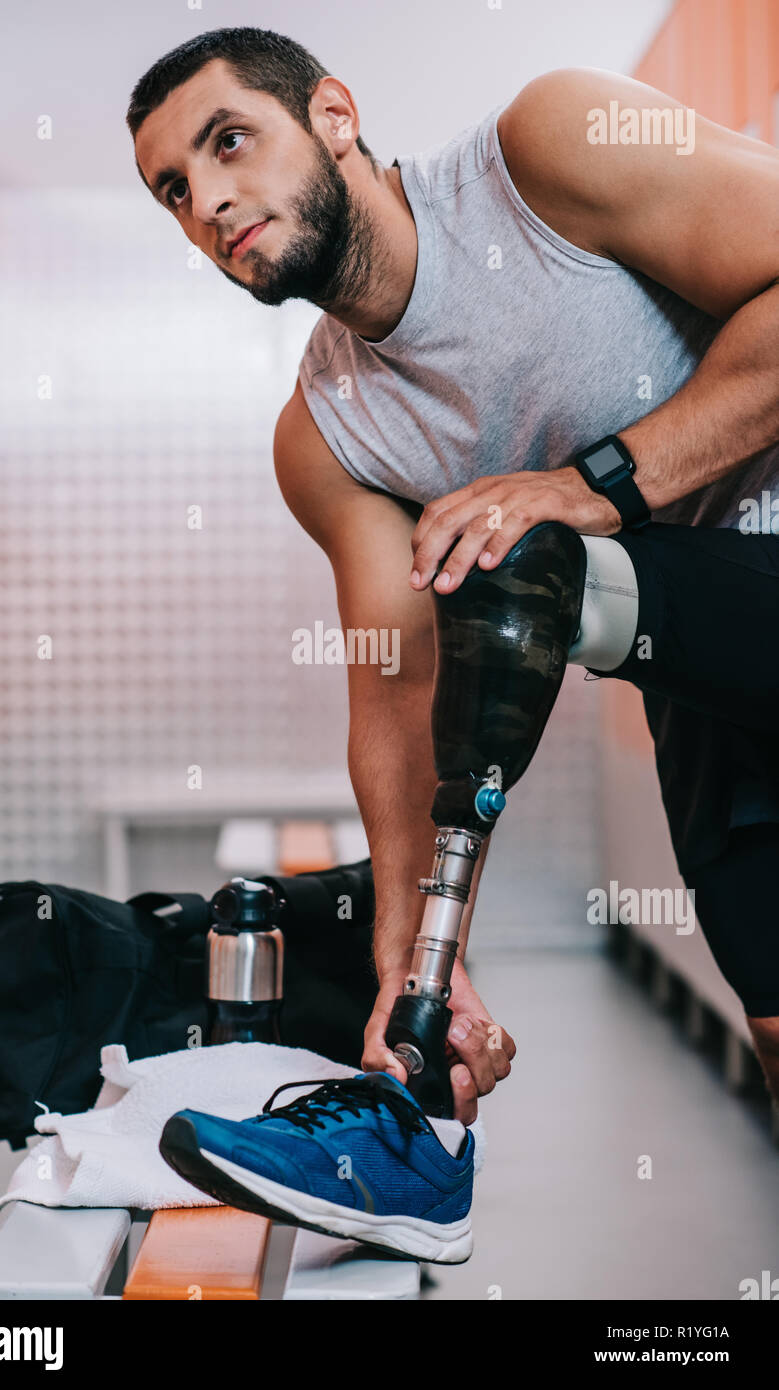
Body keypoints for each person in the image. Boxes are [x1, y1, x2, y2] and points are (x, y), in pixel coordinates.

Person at [128, 27, 779, 1122]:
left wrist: (593, 484)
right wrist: (415, 963)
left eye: (230, 141)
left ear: (333, 115)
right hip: (687, 657)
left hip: (715, 562)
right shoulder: (328, 440)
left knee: (535, 563)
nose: (210, 201)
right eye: (175, 190)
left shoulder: (548, 150)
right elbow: (396, 692)